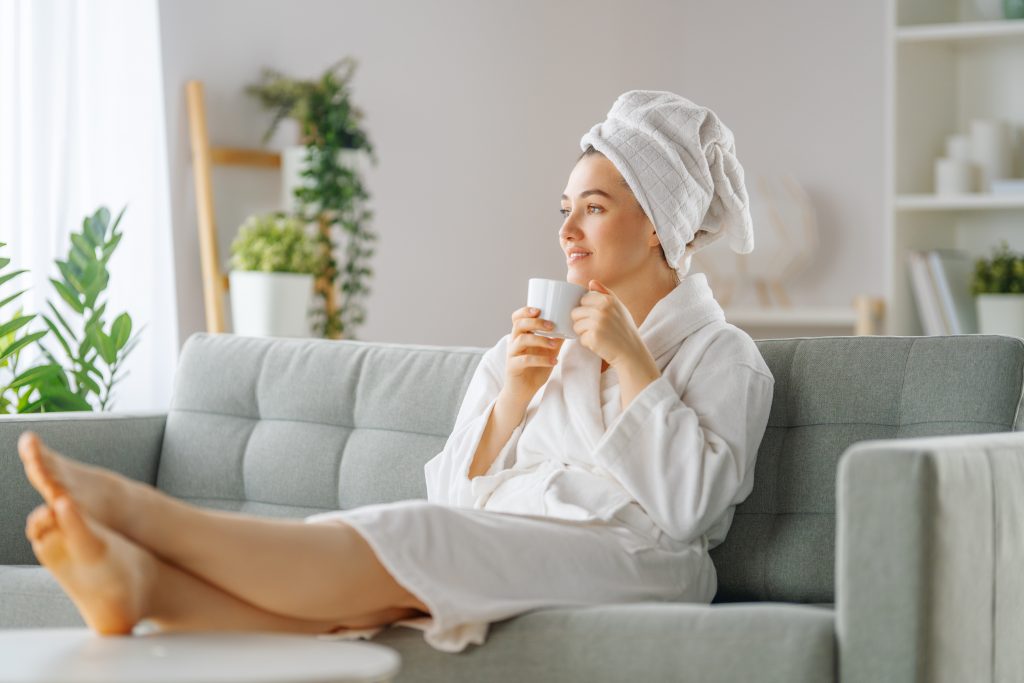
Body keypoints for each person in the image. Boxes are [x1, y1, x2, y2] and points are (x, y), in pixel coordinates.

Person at [17, 90, 774, 654]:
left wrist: (635, 363)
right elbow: (449, 490)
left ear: (657, 226)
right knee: (388, 574)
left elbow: (690, 511)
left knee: (418, 533)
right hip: (513, 533)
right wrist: (512, 398)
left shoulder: (723, 355)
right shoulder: (544, 339)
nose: (567, 230)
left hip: (640, 560)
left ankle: (148, 518)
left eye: (595, 208)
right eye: (565, 208)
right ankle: (148, 588)